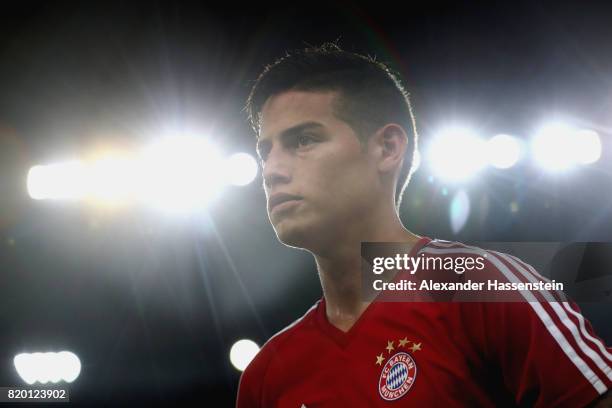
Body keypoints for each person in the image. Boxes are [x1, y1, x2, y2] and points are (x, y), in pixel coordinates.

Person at [236, 43, 612, 407]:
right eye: (266, 151)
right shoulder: (267, 376)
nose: (272, 170)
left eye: (303, 140)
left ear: (387, 148)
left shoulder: (474, 286)